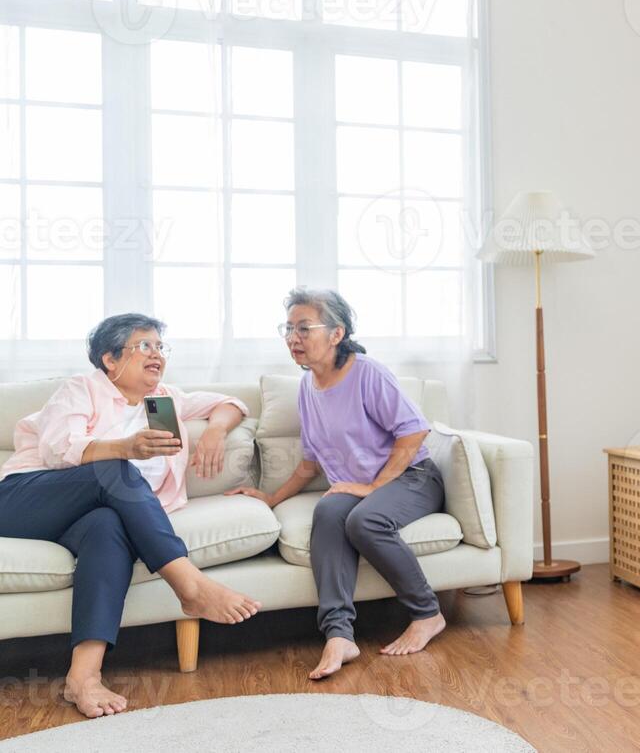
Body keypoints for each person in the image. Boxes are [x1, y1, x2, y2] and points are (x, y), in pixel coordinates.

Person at [0, 313, 262, 718]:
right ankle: (189, 586)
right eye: (145, 346)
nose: (156, 354)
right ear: (110, 359)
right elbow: (58, 450)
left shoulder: (163, 402)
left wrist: (214, 431)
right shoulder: (82, 389)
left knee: (109, 527)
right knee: (117, 468)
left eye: (161, 347)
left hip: (85, 517)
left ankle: (83, 677)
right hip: (24, 498)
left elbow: (231, 403)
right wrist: (126, 447)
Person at [226, 287, 446, 681]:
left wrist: (371, 487)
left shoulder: (368, 373)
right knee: (328, 511)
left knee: (365, 521)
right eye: (288, 328)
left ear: (336, 334)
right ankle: (340, 634)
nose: (293, 338)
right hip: (361, 486)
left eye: (304, 327)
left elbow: (414, 432)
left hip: (414, 478)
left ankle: (428, 614)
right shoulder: (308, 389)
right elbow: (310, 463)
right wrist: (270, 498)